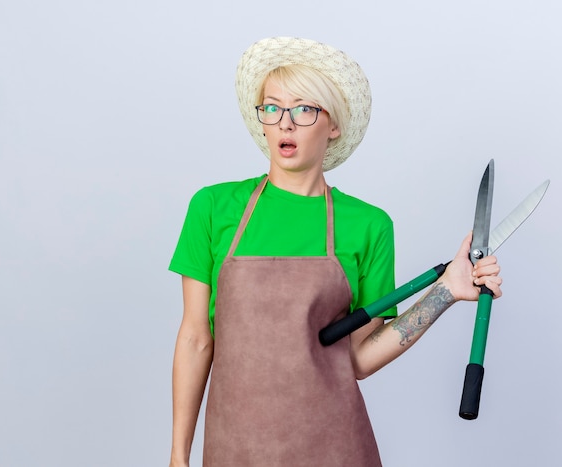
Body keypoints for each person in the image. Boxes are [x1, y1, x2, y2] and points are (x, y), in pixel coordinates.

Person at [168, 37, 502, 467]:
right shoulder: (213, 208)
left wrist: (446, 292)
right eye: (272, 108)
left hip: (335, 448)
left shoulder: (367, 225)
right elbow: (196, 339)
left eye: (304, 109)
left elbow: (359, 359)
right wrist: (178, 456)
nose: (284, 124)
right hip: (236, 449)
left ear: (333, 125)